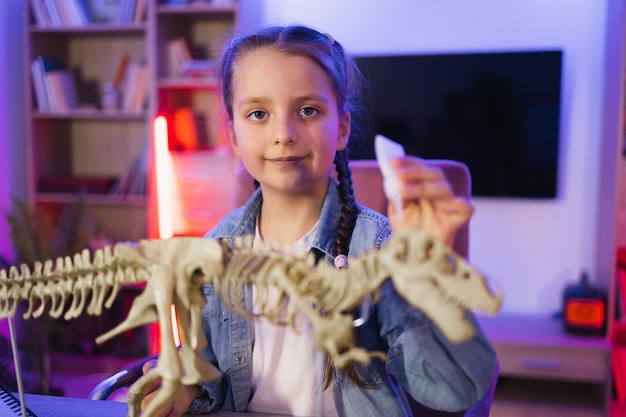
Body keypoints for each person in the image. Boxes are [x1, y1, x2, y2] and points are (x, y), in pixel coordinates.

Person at [141, 24, 498, 417]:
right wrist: (182, 390)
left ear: (342, 128)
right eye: (258, 113)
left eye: (307, 110)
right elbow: (205, 371)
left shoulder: (377, 244)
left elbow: (453, 392)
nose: (283, 133)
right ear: (234, 137)